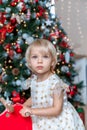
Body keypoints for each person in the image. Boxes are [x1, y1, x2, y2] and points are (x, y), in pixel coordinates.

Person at [19, 39, 85, 130]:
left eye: (45, 57)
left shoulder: (55, 84)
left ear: (52, 61)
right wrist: (23, 105)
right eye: (35, 57)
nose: (39, 61)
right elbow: (36, 95)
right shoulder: (34, 80)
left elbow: (56, 110)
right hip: (42, 118)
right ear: (29, 62)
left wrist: (32, 110)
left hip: (58, 122)